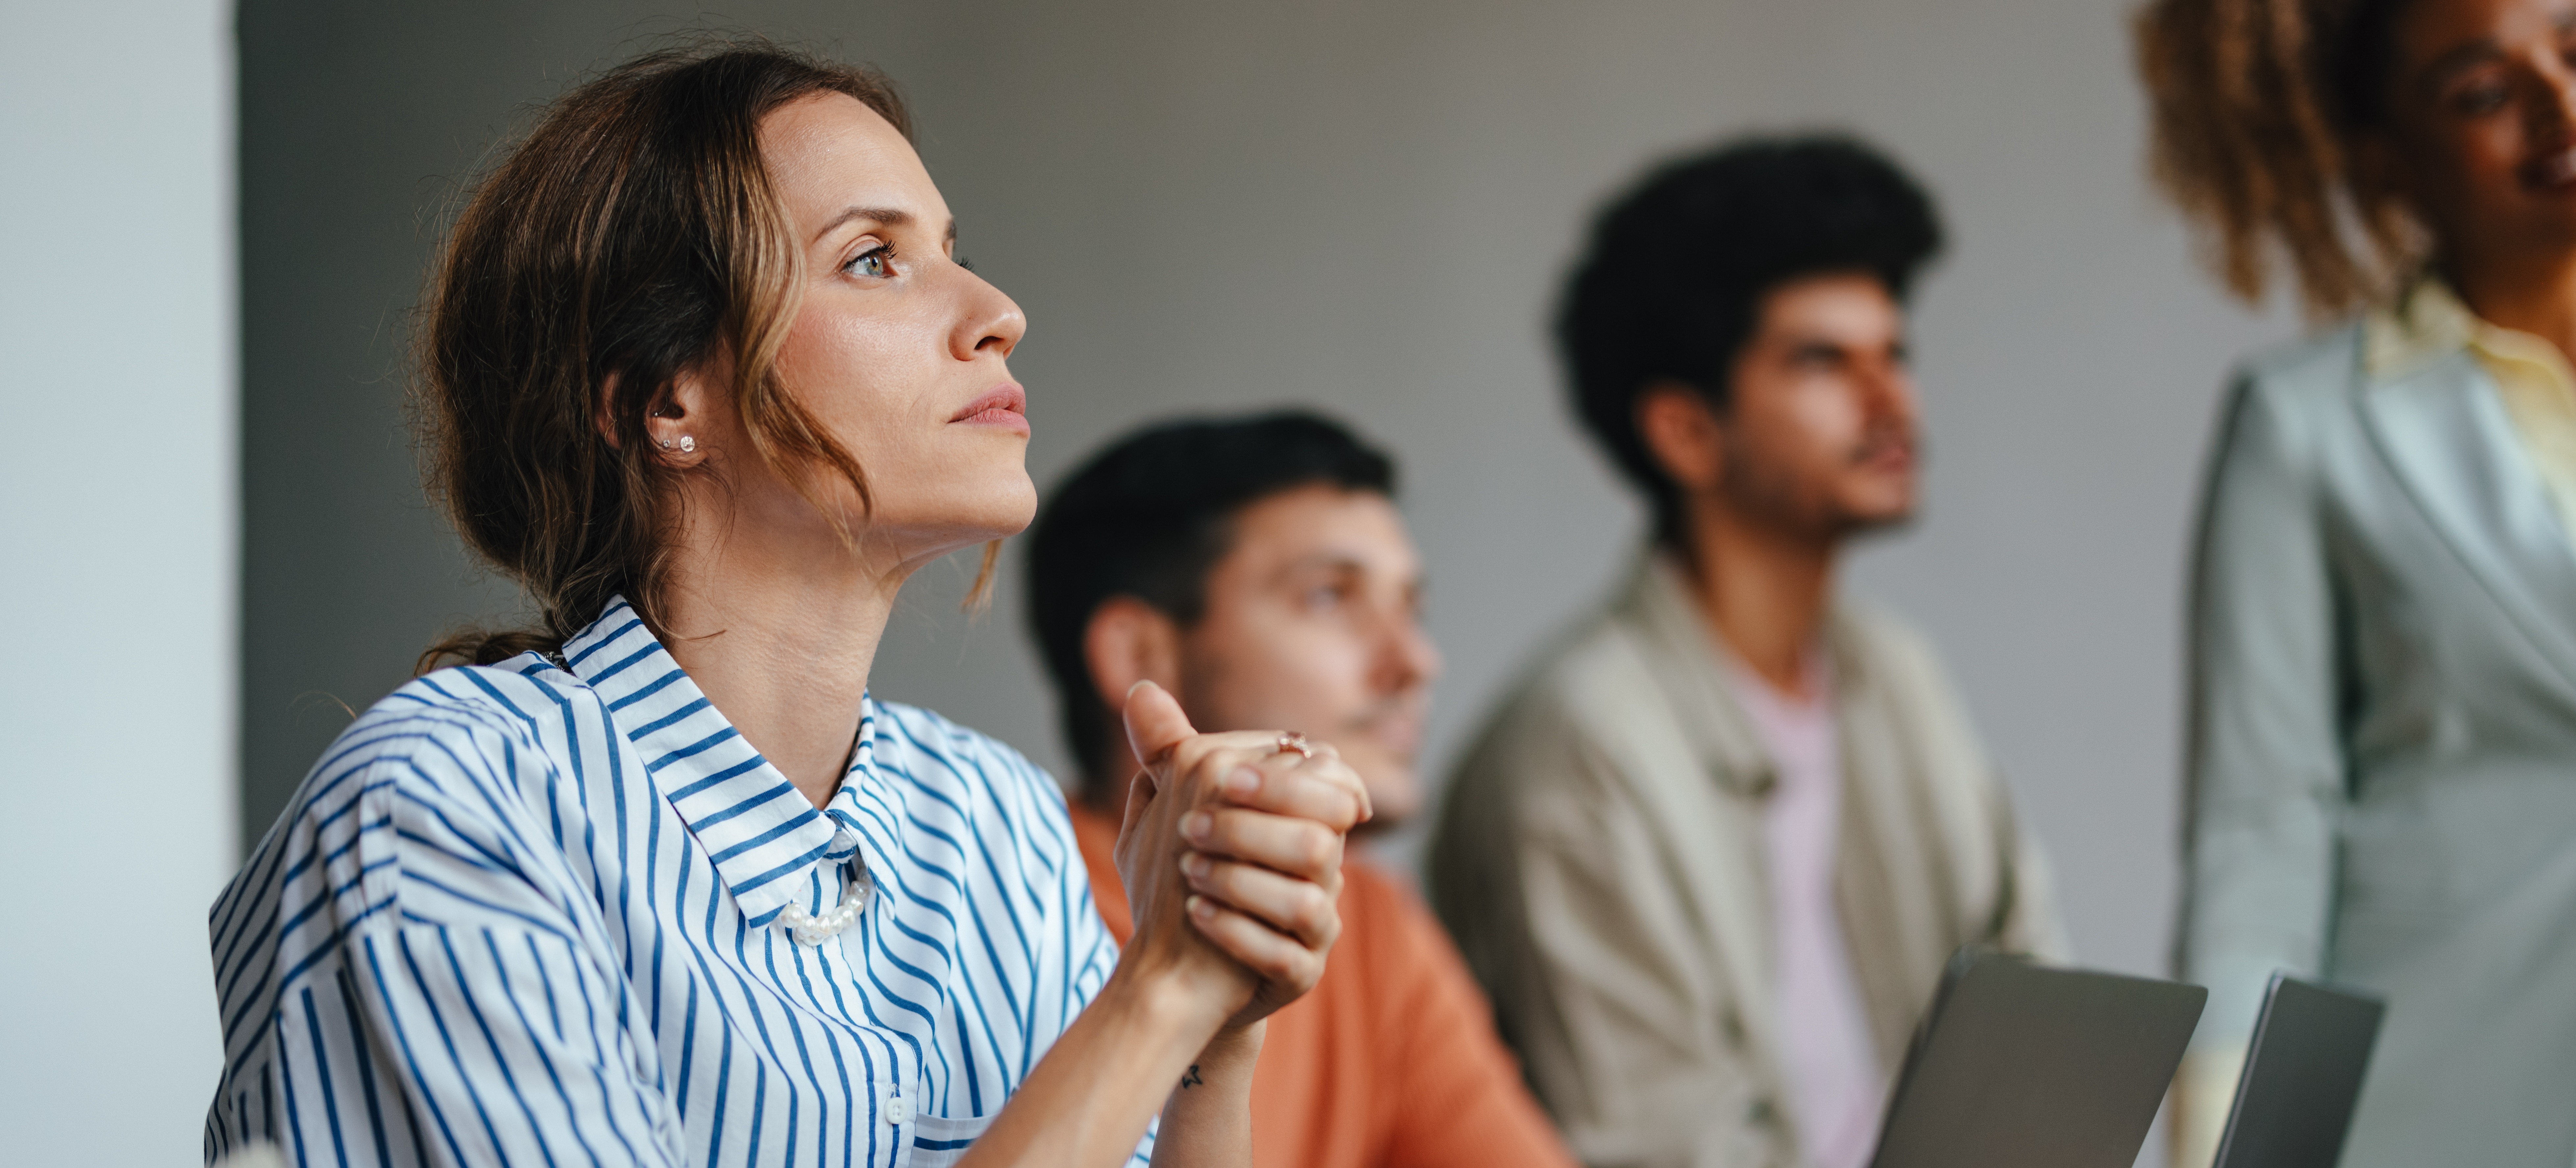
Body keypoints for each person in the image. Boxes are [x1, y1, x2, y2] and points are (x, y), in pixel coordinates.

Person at [202, 43, 1371, 1168]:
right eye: (874, 259)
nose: (999, 310)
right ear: (671, 402)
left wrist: (1212, 1024)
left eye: (953, 249)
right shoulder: (444, 809)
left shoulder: (996, 827)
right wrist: (1151, 996)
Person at [1428, 137, 2068, 1168]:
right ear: (1685, 431)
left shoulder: (1892, 675)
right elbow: (1650, 1143)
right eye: (1822, 361)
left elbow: (2043, 1018)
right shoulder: (1575, 749)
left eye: (1893, 354)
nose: (1889, 399)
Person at [2139, 0, 2576, 1162]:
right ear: (2386, 154)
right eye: (2485, 91)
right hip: (2446, 1100)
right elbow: (2264, 830)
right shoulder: (2304, 428)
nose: (2560, 108)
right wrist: (2223, 1145)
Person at [1023, 412, 1578, 1168]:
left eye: (1410, 608)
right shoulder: (994, 911)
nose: (1416, 661)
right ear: (1140, 652)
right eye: (1328, 597)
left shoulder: (1371, 921)